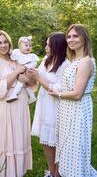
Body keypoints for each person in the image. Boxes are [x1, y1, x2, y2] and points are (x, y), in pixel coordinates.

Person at [48, 24, 97, 177]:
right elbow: (70, 86)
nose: (71, 39)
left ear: (84, 38)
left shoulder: (86, 61)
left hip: (78, 110)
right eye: (69, 36)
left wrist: (58, 94)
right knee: (66, 148)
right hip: (67, 110)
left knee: (75, 149)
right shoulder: (74, 60)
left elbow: (78, 94)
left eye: (75, 36)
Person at [0, 30, 33, 177]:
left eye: (5, 42)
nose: (3, 45)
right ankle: (7, 170)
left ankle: (20, 170)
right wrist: (16, 73)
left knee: (20, 136)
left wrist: (28, 80)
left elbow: (32, 82)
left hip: (21, 103)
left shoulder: (17, 58)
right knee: (7, 137)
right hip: (6, 104)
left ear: (10, 43)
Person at [28, 32, 69, 177]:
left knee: (55, 141)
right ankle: (52, 172)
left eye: (48, 45)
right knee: (45, 140)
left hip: (56, 105)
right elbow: (36, 78)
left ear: (57, 47)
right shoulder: (46, 59)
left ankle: (58, 172)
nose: (46, 47)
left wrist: (38, 77)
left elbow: (57, 88)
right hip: (44, 103)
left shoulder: (65, 65)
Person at [8, 35, 39, 104]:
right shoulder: (17, 53)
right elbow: (11, 53)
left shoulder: (32, 56)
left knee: (20, 82)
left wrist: (27, 67)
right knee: (25, 85)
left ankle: (14, 94)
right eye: (26, 45)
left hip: (29, 72)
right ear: (19, 47)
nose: (28, 47)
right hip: (22, 71)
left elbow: (34, 64)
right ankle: (32, 96)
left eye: (30, 45)